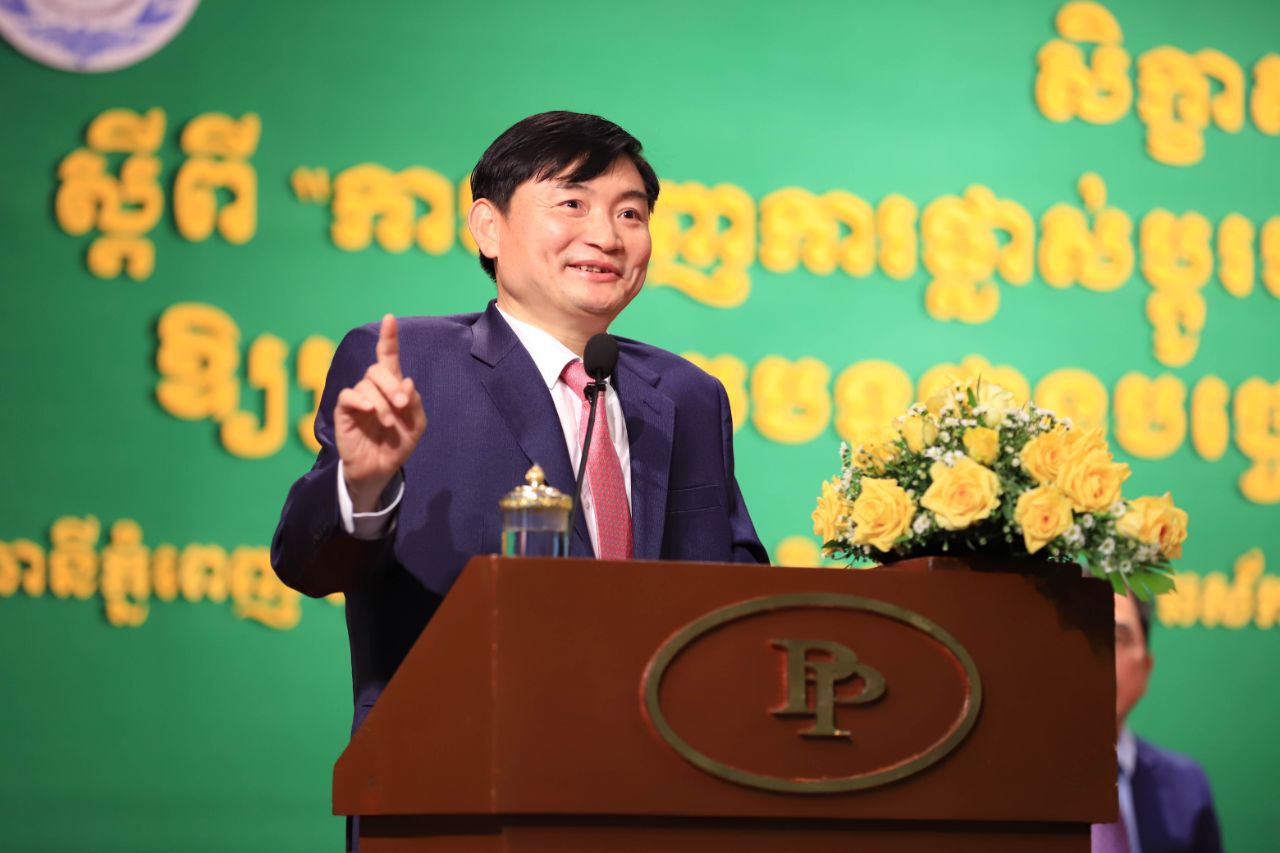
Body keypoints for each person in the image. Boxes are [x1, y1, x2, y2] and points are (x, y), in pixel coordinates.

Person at [271, 110, 768, 730]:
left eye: (630, 214)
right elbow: (306, 565)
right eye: (572, 204)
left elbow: (741, 593)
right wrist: (362, 484)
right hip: (457, 748)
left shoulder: (688, 396)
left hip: (663, 755)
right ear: (488, 227)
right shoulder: (413, 366)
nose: (607, 236)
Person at [1093, 593, 1223, 852]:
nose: (1097, 654)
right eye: (1080, 633)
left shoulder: (1187, 788)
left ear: (1146, 667)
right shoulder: (1014, 782)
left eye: (1116, 638)